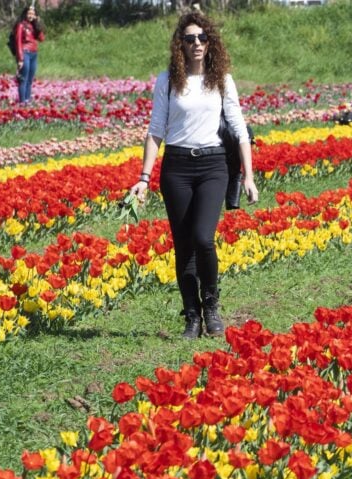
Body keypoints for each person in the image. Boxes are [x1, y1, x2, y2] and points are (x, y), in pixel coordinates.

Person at [129, 12, 258, 339]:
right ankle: (192, 316)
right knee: (183, 245)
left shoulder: (222, 79)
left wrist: (248, 176)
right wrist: (144, 178)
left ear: (210, 41)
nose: (197, 44)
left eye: (202, 38)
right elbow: (156, 130)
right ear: (180, 45)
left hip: (213, 165)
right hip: (177, 168)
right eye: (190, 39)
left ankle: (211, 305)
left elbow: (240, 129)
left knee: (203, 238)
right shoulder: (168, 80)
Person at [12, 6, 44, 104]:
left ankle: (27, 100)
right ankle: (22, 102)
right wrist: (20, 59)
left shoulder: (34, 26)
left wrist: (38, 24)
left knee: (30, 79)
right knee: (23, 79)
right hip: (25, 53)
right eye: (29, 13)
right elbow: (18, 43)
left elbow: (42, 39)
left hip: (34, 54)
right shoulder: (21, 25)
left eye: (33, 13)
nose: (31, 15)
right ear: (25, 14)